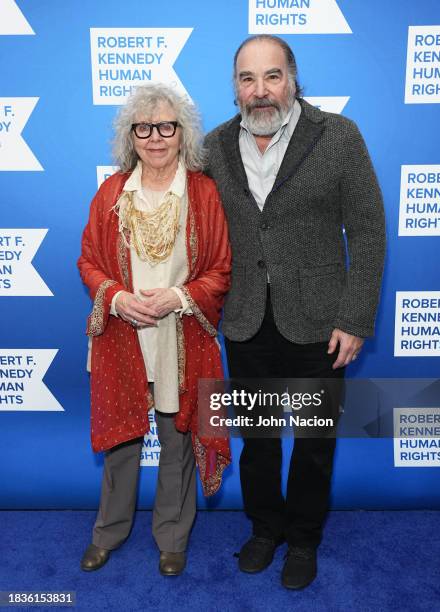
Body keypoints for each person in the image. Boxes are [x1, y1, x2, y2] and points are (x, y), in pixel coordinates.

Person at [204, 35, 386, 589]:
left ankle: (303, 538)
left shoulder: (337, 136)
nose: (260, 91)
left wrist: (355, 318)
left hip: (319, 324)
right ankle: (265, 529)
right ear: (235, 86)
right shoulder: (212, 146)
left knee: (313, 444)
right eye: (247, 78)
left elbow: (370, 231)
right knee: (256, 441)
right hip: (244, 320)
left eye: (272, 76)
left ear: (292, 78)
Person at [77, 83, 231, 576]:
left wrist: (178, 297)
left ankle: (171, 539)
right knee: (121, 443)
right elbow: (88, 261)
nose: (156, 137)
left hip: (180, 334)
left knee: (177, 439)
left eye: (166, 126)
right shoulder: (111, 193)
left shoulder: (204, 192)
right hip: (122, 334)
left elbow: (221, 270)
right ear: (132, 136)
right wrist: (118, 298)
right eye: (144, 128)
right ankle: (108, 533)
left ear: (182, 133)